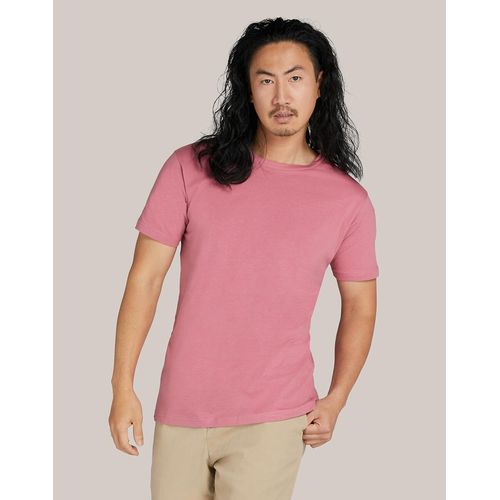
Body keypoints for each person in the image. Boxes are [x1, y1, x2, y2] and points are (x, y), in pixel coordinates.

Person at [109, 17, 379, 500]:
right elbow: (144, 279)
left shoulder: (347, 201)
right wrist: (122, 386)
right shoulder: (190, 167)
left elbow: (360, 304)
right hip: (181, 409)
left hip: (274, 417)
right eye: (266, 80)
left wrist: (337, 398)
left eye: (295, 78)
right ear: (248, 90)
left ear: (320, 85)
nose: (282, 96)